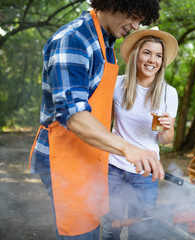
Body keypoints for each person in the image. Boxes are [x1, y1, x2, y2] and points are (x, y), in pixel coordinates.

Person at [28, 1, 163, 239]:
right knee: (80, 233)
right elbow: (75, 115)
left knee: (92, 227)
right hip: (66, 157)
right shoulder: (73, 40)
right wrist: (127, 148)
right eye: (133, 16)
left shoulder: (105, 43)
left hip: (91, 156)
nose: (135, 26)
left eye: (140, 20)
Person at [102, 27, 179, 239]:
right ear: (136, 54)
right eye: (147, 52)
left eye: (158, 55)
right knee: (111, 227)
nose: (152, 60)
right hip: (114, 167)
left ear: (162, 62)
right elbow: (102, 123)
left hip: (146, 171)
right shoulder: (117, 84)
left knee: (142, 230)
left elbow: (164, 140)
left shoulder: (168, 94)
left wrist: (168, 128)